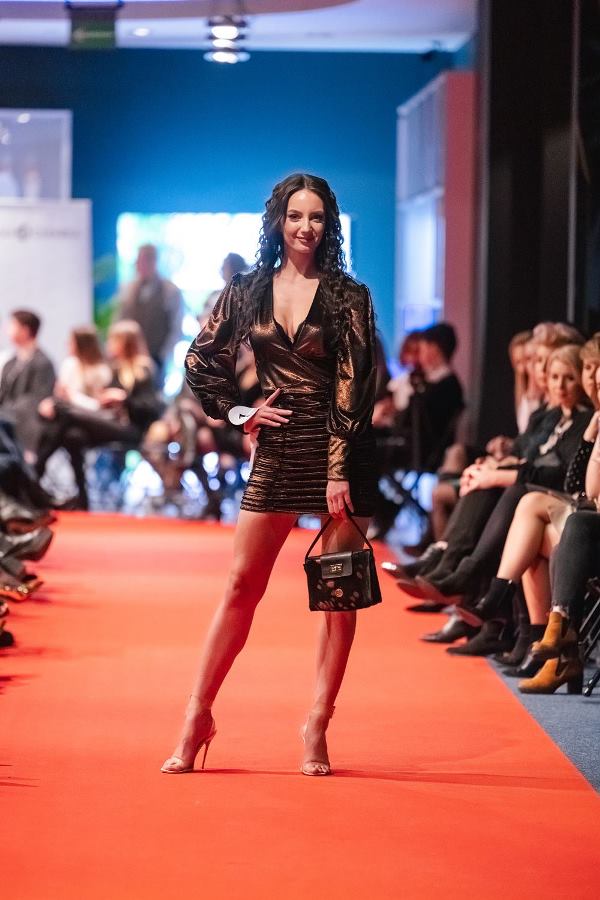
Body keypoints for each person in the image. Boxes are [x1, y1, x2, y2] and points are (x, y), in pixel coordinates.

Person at [161, 173, 377, 777]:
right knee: (240, 586)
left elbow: (355, 383)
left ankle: (317, 724)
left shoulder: (349, 296)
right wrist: (239, 411)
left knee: (337, 597)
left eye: (317, 217)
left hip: (341, 453)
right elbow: (200, 359)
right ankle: (197, 716)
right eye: (295, 215)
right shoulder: (246, 290)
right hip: (279, 450)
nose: (306, 227)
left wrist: (339, 468)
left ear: (329, 225)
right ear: (277, 221)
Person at [36, 321, 162, 510]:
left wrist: (124, 399)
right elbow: (101, 407)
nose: (108, 344)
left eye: (113, 340)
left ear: (125, 343)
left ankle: (35, 471)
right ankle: (82, 499)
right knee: (73, 436)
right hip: (111, 423)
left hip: (132, 429)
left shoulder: (143, 369)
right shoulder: (115, 369)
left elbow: (152, 408)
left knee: (64, 413)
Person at [36, 325, 112, 481]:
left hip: (91, 421)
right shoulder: (70, 365)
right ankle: (81, 491)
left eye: (71, 342)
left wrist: (71, 397)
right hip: (69, 424)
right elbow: (60, 395)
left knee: (64, 416)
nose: (67, 345)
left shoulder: (101, 371)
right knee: (73, 436)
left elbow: (98, 406)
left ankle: (37, 468)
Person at [116, 243, 183, 384]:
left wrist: (163, 356)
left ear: (152, 262)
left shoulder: (169, 291)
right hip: (130, 359)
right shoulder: (129, 289)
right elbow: (120, 320)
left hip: (157, 358)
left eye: (141, 261)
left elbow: (176, 328)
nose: (137, 266)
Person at [0, 310, 55, 458]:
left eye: (12, 325)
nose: (7, 330)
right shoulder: (11, 363)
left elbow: (38, 398)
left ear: (24, 330)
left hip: (26, 420)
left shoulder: (43, 363)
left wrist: (8, 410)